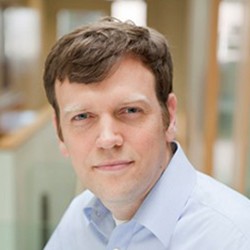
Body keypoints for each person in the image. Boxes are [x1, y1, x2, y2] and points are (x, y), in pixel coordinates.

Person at [43, 17, 250, 250]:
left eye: (130, 110)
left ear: (169, 117)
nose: (108, 139)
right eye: (82, 117)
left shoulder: (236, 238)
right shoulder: (78, 220)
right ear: (59, 132)